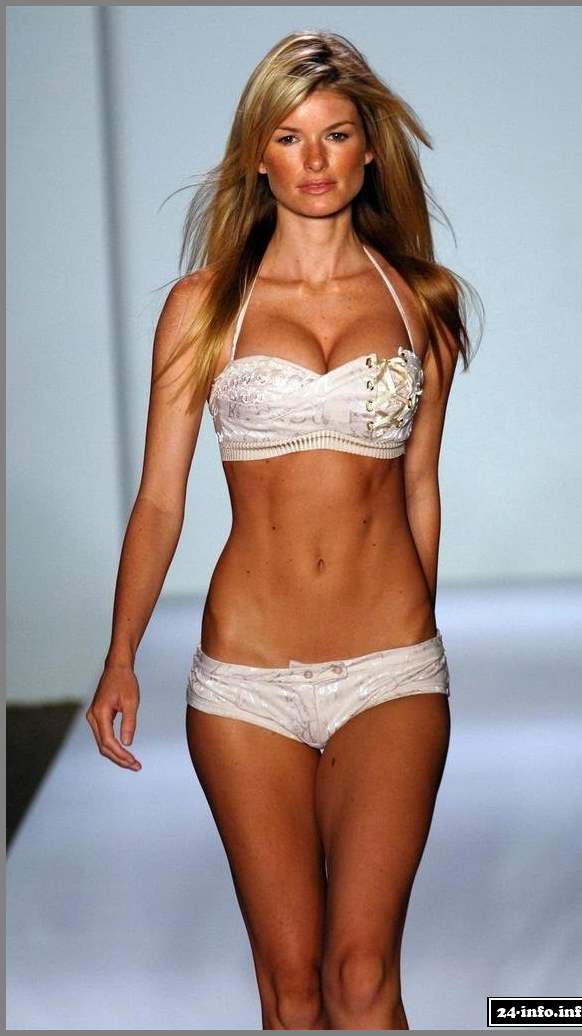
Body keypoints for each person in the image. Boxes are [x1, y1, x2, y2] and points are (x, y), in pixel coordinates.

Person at [86, 30, 480, 1031]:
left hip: (389, 667)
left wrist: (418, 636)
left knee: (361, 978)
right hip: (245, 681)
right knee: (292, 990)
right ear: (256, 155)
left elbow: (420, 489)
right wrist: (121, 655)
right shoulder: (202, 308)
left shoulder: (420, 304)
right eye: (289, 136)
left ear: (369, 150)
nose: (314, 159)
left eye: (335, 134)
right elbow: (161, 499)